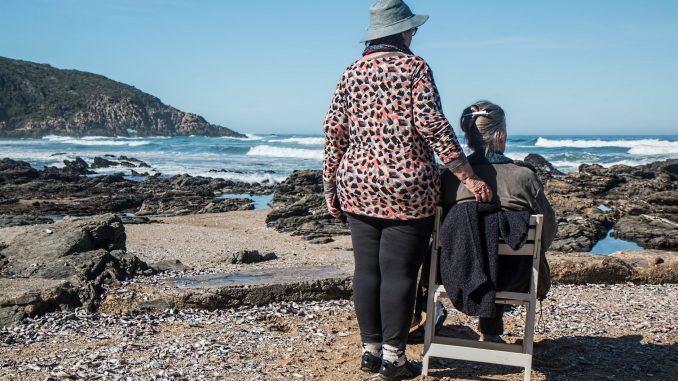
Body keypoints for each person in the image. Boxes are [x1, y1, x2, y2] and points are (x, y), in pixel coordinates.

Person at [322, 1, 493, 379]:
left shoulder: (351, 72)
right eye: (411, 29)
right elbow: (432, 124)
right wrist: (468, 175)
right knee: (399, 272)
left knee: (366, 270)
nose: (414, 35)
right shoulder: (414, 67)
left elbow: (334, 132)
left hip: (357, 183)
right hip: (408, 185)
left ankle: (369, 351)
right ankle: (393, 359)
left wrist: (330, 187)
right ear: (401, 31)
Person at [441, 100, 557, 342]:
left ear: (469, 137)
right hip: (515, 277)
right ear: (501, 135)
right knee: (503, 253)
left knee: (477, 244)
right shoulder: (525, 178)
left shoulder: (450, 178)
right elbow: (547, 232)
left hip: (455, 274)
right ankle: (491, 332)